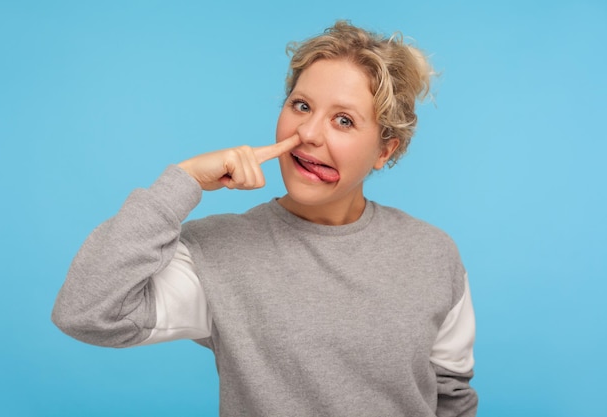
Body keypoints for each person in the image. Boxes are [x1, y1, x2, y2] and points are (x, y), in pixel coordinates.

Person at [52, 21, 478, 417]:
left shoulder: (432, 254)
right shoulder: (219, 253)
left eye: (343, 120)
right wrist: (183, 181)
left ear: (385, 150)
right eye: (301, 105)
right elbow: (86, 311)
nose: (309, 133)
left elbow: (451, 394)